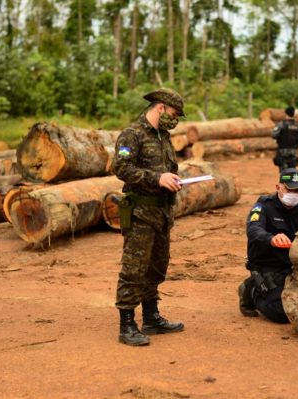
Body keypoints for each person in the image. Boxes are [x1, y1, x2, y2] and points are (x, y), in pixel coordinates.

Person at [112, 88, 186, 346]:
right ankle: (127, 324)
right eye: (174, 114)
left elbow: (165, 170)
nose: (175, 120)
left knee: (156, 266)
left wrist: (172, 179)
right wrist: (157, 178)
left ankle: (151, 317)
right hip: (140, 212)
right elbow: (121, 167)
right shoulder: (132, 135)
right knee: (134, 268)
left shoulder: (164, 136)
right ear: (161, 107)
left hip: (162, 213)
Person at [238, 168, 298, 324]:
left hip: (295, 267)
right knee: (283, 313)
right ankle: (251, 290)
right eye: (289, 189)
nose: (294, 194)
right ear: (278, 187)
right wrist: (270, 238)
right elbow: (253, 229)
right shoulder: (264, 205)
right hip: (269, 266)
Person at [272, 106, 298, 173]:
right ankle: (290, 183)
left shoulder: (281, 124)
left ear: (286, 114)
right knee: (292, 171)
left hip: (283, 151)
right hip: (293, 151)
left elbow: (274, 135)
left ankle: (284, 182)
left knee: (283, 172)